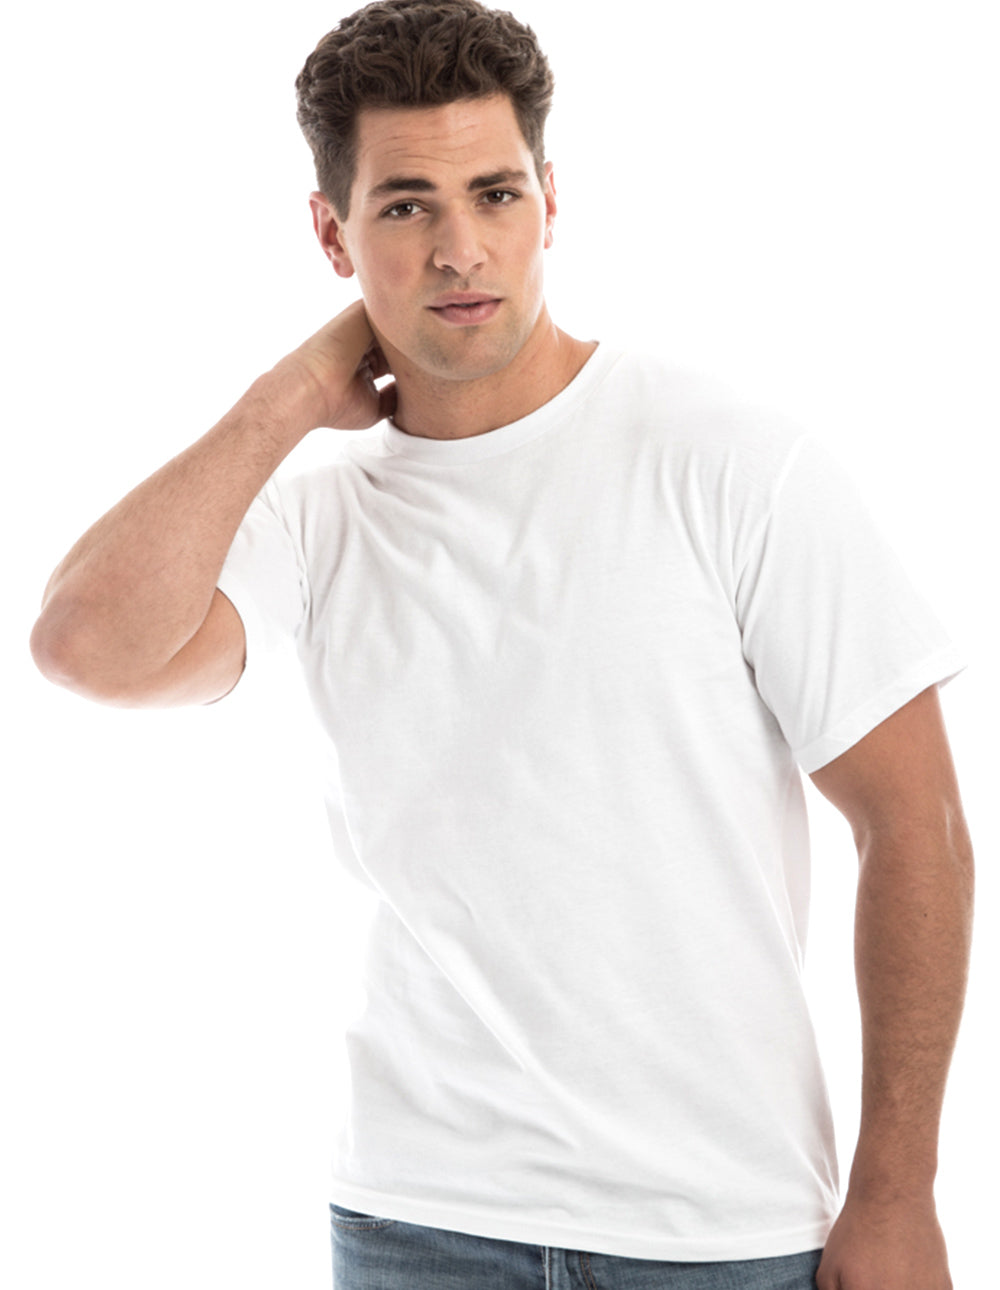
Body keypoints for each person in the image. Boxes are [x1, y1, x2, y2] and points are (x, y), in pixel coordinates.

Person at [30, 1, 973, 1287]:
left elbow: (915, 824)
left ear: (549, 200)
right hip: (414, 1222)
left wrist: (898, 1192)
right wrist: (286, 399)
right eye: (405, 206)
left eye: (495, 193)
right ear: (332, 233)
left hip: (715, 1230)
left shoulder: (731, 462)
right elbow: (84, 645)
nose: (460, 249)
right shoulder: (314, 519)